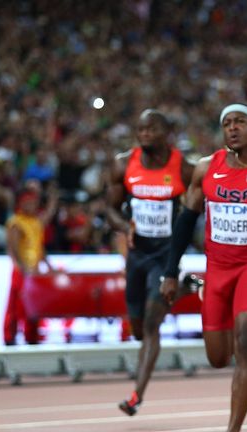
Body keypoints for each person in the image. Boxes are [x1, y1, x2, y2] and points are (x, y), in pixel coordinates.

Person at [160, 103, 247, 432]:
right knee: (217, 358)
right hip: (217, 269)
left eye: (240, 122)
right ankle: (197, 288)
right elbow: (185, 222)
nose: (233, 128)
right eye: (226, 124)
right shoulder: (205, 168)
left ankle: (233, 428)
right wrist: (170, 271)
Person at [107, 109, 194, 416]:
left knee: (152, 324)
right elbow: (110, 209)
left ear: (166, 133)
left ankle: (136, 396)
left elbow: (196, 208)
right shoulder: (123, 164)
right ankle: (184, 289)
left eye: (152, 129)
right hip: (137, 255)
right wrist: (124, 225)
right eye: (141, 129)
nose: (145, 134)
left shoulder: (183, 167)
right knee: (137, 330)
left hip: (166, 255)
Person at [3, 187, 58, 344]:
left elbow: (39, 248)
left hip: (34, 271)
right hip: (21, 272)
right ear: (21, 204)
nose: (32, 206)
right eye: (28, 203)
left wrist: (49, 266)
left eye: (34, 203)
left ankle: (32, 337)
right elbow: (12, 250)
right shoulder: (16, 222)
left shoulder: (36, 222)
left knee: (34, 306)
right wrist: (22, 269)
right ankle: (9, 337)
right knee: (15, 306)